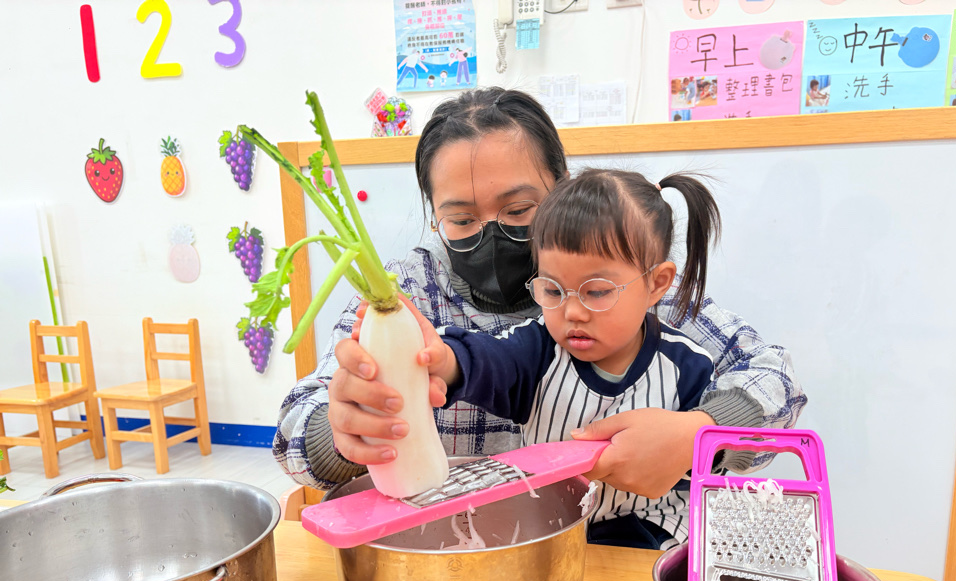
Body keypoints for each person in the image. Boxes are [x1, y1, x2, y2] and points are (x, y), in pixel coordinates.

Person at [273, 87, 806, 503]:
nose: (490, 234)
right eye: (461, 219)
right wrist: (346, 433)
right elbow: (294, 432)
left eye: (519, 210)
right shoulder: (407, 294)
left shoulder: (628, 288)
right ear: (435, 217)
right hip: (450, 553)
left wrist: (701, 432)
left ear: (562, 189)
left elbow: (776, 377)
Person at [371, 168, 719, 548]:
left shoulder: (688, 366)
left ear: (657, 283)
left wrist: (695, 442)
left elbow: (717, 456)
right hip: (549, 532)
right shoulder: (536, 350)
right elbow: (487, 360)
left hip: (654, 540)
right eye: (553, 290)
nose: (573, 312)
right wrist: (442, 359)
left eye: (597, 291)